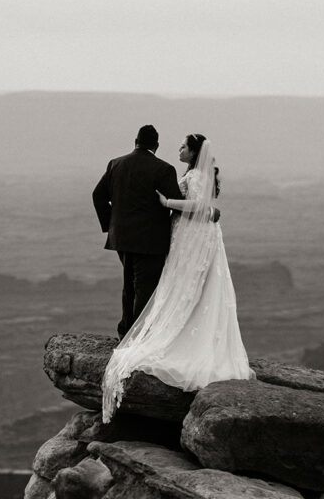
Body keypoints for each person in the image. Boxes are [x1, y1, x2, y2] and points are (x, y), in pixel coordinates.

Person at [101, 134, 255, 423]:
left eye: (184, 147)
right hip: (199, 234)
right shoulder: (195, 173)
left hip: (191, 235)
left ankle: (165, 333)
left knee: (180, 284)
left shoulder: (195, 175)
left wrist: (165, 200)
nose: (179, 150)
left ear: (194, 152)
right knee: (189, 286)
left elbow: (196, 205)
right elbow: (207, 207)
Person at [93, 125, 185, 339]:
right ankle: (138, 336)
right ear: (157, 145)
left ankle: (126, 330)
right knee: (146, 288)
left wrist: (112, 225)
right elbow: (176, 203)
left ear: (135, 140)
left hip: (122, 238)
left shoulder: (116, 164)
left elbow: (98, 195)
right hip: (151, 240)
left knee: (129, 285)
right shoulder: (164, 169)